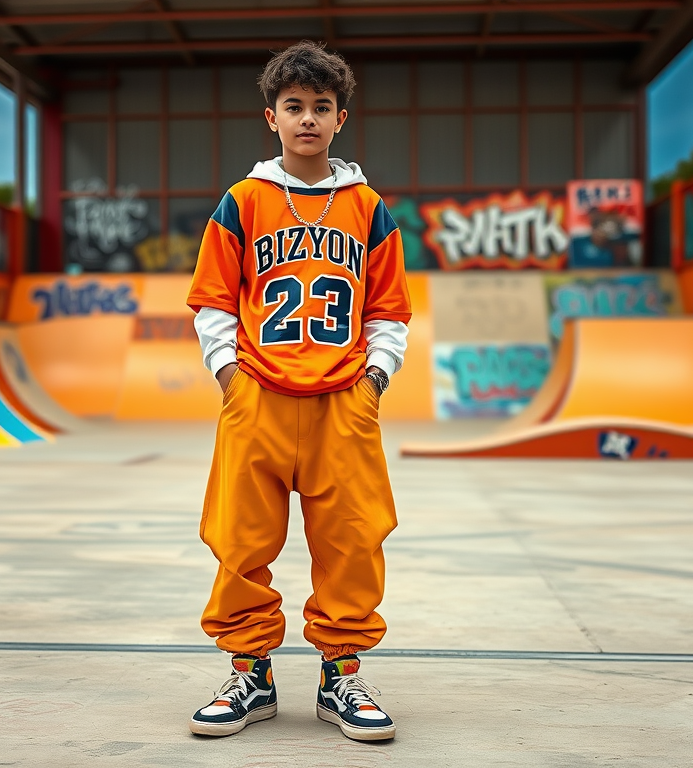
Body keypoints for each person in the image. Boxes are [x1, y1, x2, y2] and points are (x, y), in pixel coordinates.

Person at [185, 40, 411, 742]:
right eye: (294, 107)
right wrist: (229, 373)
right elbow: (215, 299)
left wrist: (374, 378)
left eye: (320, 107)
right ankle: (249, 669)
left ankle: (341, 672)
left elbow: (389, 308)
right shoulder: (243, 201)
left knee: (351, 536)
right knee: (240, 535)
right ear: (271, 117)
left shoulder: (369, 208)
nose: (306, 119)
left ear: (340, 118)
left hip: (344, 396)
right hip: (258, 392)